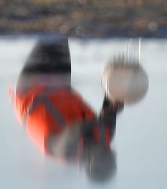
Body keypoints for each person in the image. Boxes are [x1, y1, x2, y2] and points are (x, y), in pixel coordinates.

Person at [12, 37, 123, 182]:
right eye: (109, 154)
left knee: (50, 35)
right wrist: (120, 91)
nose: (105, 149)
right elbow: (111, 102)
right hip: (61, 85)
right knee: (60, 34)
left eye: (103, 155)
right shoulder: (105, 136)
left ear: (89, 161)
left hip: (31, 88)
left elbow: (75, 130)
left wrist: (104, 119)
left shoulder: (64, 151)